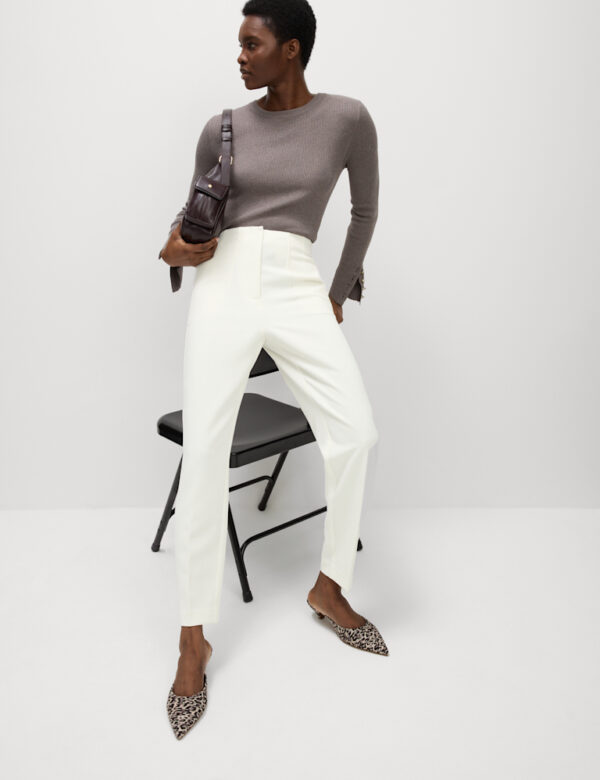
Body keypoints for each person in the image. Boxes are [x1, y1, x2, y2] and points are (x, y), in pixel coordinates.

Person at [159, 0, 388, 740]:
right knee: (206, 454)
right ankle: (193, 638)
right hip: (223, 282)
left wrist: (337, 292)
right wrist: (173, 248)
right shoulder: (222, 126)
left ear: (291, 48)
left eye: (252, 43)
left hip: (296, 281)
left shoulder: (347, 118)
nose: (240, 55)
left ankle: (329, 586)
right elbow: (190, 217)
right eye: (239, 43)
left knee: (355, 434)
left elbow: (364, 211)